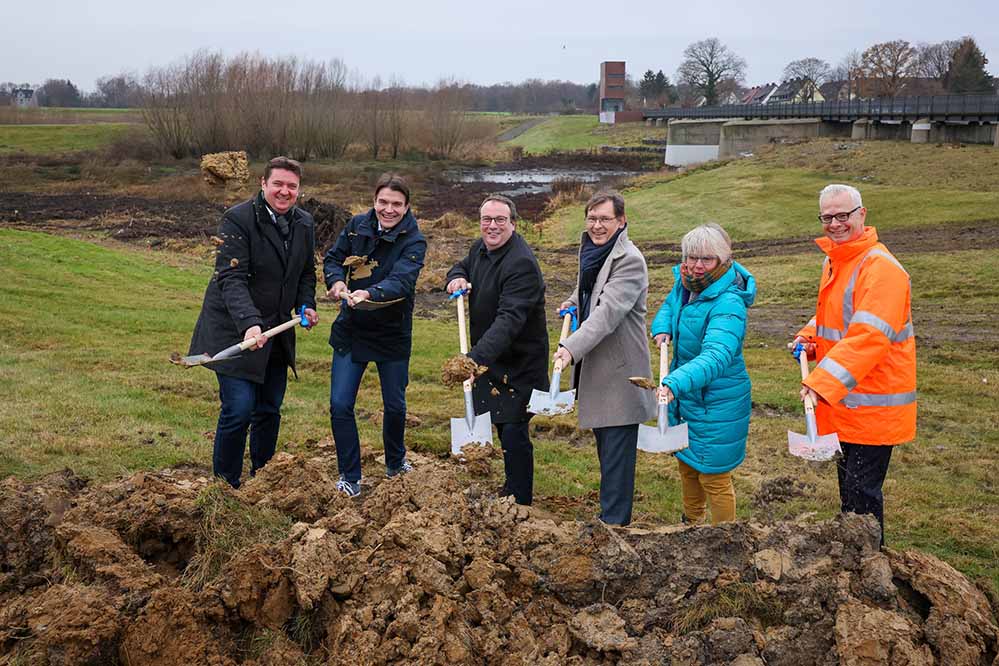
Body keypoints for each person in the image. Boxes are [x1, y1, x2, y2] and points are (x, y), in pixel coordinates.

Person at [790, 184, 915, 545]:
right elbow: (836, 321)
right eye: (827, 217)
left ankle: (869, 568)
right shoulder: (838, 260)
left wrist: (821, 381)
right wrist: (810, 339)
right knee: (850, 495)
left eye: (843, 215)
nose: (835, 223)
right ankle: (855, 561)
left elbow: (869, 337)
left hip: (874, 406)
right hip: (847, 404)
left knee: (862, 498)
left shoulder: (881, 268)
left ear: (862, 214)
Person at [188, 156, 319, 488]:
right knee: (239, 408)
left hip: (275, 331)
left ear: (299, 189)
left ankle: (264, 479)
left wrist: (306, 305)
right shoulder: (238, 219)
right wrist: (249, 322)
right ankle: (225, 486)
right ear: (263, 184)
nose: (284, 191)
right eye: (278, 184)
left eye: (291, 185)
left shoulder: (304, 223)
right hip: (234, 328)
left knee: (269, 408)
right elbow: (230, 278)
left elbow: (305, 273)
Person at [553, 190, 655, 525]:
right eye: (592, 218)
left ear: (622, 221)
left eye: (605, 219)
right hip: (600, 371)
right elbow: (591, 287)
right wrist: (572, 300)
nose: (597, 225)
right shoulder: (596, 251)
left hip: (621, 375)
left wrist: (570, 347)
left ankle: (614, 528)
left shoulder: (630, 260)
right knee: (606, 453)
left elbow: (607, 313)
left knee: (616, 460)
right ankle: (609, 521)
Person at [323, 174, 426, 497]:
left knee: (395, 406)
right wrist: (337, 282)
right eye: (383, 202)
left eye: (396, 204)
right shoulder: (356, 226)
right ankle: (350, 477)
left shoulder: (414, 240)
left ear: (407, 206)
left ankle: (395, 463)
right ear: (374, 201)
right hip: (351, 329)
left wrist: (370, 293)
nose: (389, 209)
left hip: (391, 332)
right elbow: (332, 259)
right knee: (340, 405)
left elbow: (402, 281)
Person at [649, 223, 755, 525]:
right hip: (689, 396)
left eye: (706, 259)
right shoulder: (687, 282)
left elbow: (717, 355)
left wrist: (673, 383)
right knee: (687, 465)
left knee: (714, 476)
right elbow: (671, 306)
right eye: (691, 257)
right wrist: (662, 328)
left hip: (717, 400)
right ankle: (691, 526)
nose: (697, 265)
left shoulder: (729, 302)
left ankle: (724, 538)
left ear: (723, 259)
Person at [445, 194, 548, 506]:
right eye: (486, 220)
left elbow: (509, 320)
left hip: (520, 363)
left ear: (513, 224)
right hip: (494, 361)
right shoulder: (481, 248)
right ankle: (511, 488)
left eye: (500, 220)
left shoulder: (521, 264)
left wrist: (473, 359)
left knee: (514, 431)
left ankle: (520, 500)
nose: (492, 225)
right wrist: (456, 277)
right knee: (502, 425)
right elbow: (461, 265)